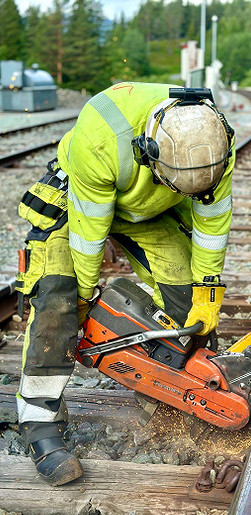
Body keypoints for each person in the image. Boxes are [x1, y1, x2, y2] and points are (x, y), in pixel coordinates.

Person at [15, 83, 235, 486]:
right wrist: (82, 299)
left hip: (148, 209)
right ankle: (39, 423)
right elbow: (88, 235)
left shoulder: (212, 144)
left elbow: (212, 226)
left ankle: (176, 394)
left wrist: (207, 291)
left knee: (187, 301)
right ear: (148, 152)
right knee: (58, 298)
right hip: (78, 199)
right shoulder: (102, 137)